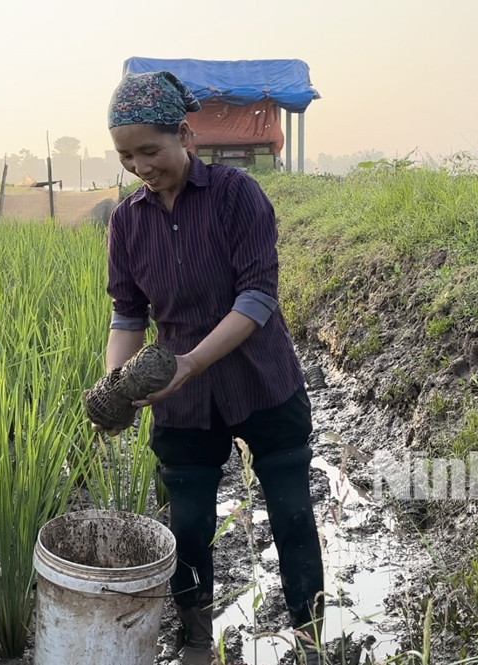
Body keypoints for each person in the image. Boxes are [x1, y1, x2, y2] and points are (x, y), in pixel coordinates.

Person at [98, 71, 324, 665]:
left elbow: (256, 296)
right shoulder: (127, 222)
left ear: (184, 135)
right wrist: (116, 385)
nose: (141, 166)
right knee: (189, 522)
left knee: (292, 514)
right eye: (127, 156)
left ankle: (310, 637)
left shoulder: (236, 195)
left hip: (260, 378)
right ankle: (196, 638)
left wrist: (193, 362)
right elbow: (128, 313)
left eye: (151, 150)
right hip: (181, 398)